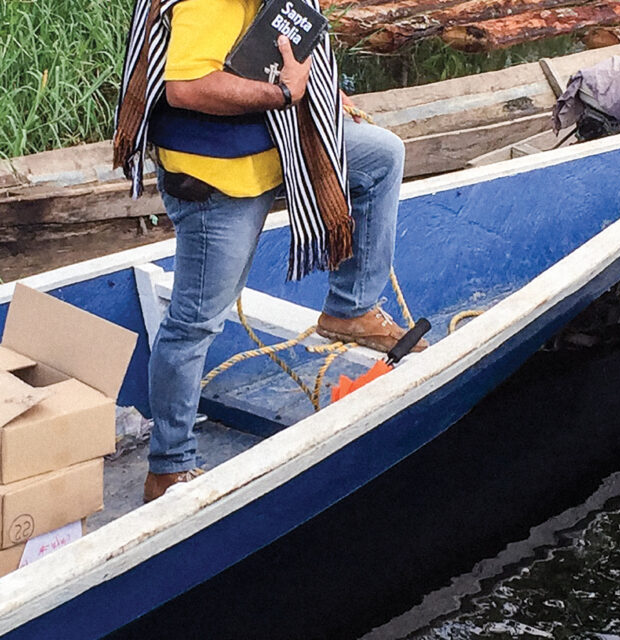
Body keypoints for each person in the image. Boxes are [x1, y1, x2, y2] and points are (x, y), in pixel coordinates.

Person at [125, 0, 425, 503]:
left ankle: (350, 309)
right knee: (195, 321)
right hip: (217, 179)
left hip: (273, 146)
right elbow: (186, 86)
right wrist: (283, 92)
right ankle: (169, 467)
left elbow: (277, 45)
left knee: (378, 156)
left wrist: (323, 99)